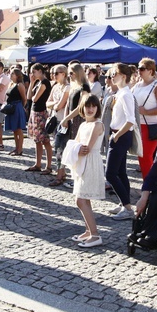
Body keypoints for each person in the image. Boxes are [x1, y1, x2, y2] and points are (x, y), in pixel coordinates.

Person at [68, 94, 105, 248]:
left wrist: (77, 148)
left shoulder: (98, 125)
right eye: (87, 106)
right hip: (81, 163)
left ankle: (95, 234)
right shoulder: (83, 125)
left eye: (93, 106)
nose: (90, 109)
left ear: (97, 108)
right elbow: (76, 143)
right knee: (83, 198)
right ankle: (89, 230)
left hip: (91, 163)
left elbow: (86, 148)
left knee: (81, 199)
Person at [104, 63, 137, 221]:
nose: (112, 77)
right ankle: (124, 203)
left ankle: (127, 208)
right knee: (121, 172)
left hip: (121, 136)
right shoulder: (121, 93)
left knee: (110, 173)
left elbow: (131, 120)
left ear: (123, 76)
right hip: (118, 134)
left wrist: (116, 136)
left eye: (115, 74)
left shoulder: (125, 94)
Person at [132, 58, 157, 178]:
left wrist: (146, 112)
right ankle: (147, 184)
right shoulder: (137, 85)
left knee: (146, 155)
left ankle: (149, 185)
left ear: (151, 71)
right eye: (138, 68)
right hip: (138, 124)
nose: (139, 70)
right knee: (141, 156)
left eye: (142, 68)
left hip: (152, 125)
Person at [57, 63, 91, 186]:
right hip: (72, 121)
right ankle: (74, 176)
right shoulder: (74, 86)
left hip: (80, 121)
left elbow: (80, 107)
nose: (69, 76)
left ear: (77, 73)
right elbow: (68, 104)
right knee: (72, 148)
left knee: (79, 149)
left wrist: (66, 118)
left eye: (71, 73)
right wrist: (66, 118)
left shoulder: (84, 87)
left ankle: (80, 178)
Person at [25, 63, 53, 173]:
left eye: (34, 71)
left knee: (45, 140)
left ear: (40, 71)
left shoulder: (45, 82)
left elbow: (35, 98)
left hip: (40, 112)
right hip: (35, 112)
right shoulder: (38, 82)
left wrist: (33, 92)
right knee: (37, 140)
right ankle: (38, 163)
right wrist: (32, 82)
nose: (32, 74)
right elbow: (29, 97)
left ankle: (49, 166)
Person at [46, 65, 69, 182]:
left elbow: (60, 105)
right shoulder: (55, 86)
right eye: (53, 73)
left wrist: (55, 105)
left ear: (63, 74)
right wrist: (55, 104)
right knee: (57, 147)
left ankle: (60, 175)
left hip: (63, 122)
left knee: (60, 149)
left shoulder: (67, 88)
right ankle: (62, 173)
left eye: (56, 73)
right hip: (55, 120)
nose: (54, 75)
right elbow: (47, 103)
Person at [3, 68, 27, 156]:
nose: (10, 75)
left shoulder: (20, 85)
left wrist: (21, 108)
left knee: (19, 129)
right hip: (11, 107)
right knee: (14, 129)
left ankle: (20, 149)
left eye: (13, 73)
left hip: (17, 107)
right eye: (10, 73)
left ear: (17, 75)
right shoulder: (11, 84)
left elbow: (24, 98)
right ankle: (16, 148)